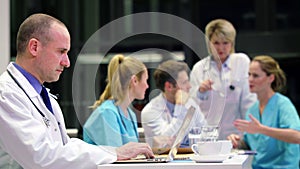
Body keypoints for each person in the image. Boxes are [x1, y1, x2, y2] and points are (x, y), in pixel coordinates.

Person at [0, 13, 154, 169]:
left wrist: (115, 151)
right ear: (34, 47)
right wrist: (114, 154)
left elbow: (64, 147)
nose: (66, 62)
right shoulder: (6, 94)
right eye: (61, 51)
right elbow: (40, 156)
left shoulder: (46, 98)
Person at [228, 55, 300, 169]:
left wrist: (262, 129)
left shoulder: (283, 105)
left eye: (255, 76)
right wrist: (237, 141)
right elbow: (250, 144)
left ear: (270, 78)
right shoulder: (253, 109)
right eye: (249, 75)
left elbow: (297, 136)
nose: (250, 79)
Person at [190, 19, 256, 139]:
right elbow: (191, 107)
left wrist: (249, 134)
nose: (221, 48)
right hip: (208, 136)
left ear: (232, 43)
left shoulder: (241, 62)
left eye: (225, 43)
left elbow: (249, 102)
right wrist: (200, 92)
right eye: (216, 43)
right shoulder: (199, 68)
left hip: (236, 134)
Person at [83, 54, 149, 146]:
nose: (147, 86)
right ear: (134, 81)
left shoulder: (131, 114)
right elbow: (115, 156)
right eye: (145, 80)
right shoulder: (107, 113)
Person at [141, 60, 207, 148]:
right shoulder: (150, 111)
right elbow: (166, 142)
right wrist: (180, 107)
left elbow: (205, 134)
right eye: (184, 82)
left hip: (190, 158)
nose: (189, 86)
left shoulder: (191, 104)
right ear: (169, 86)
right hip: (162, 160)